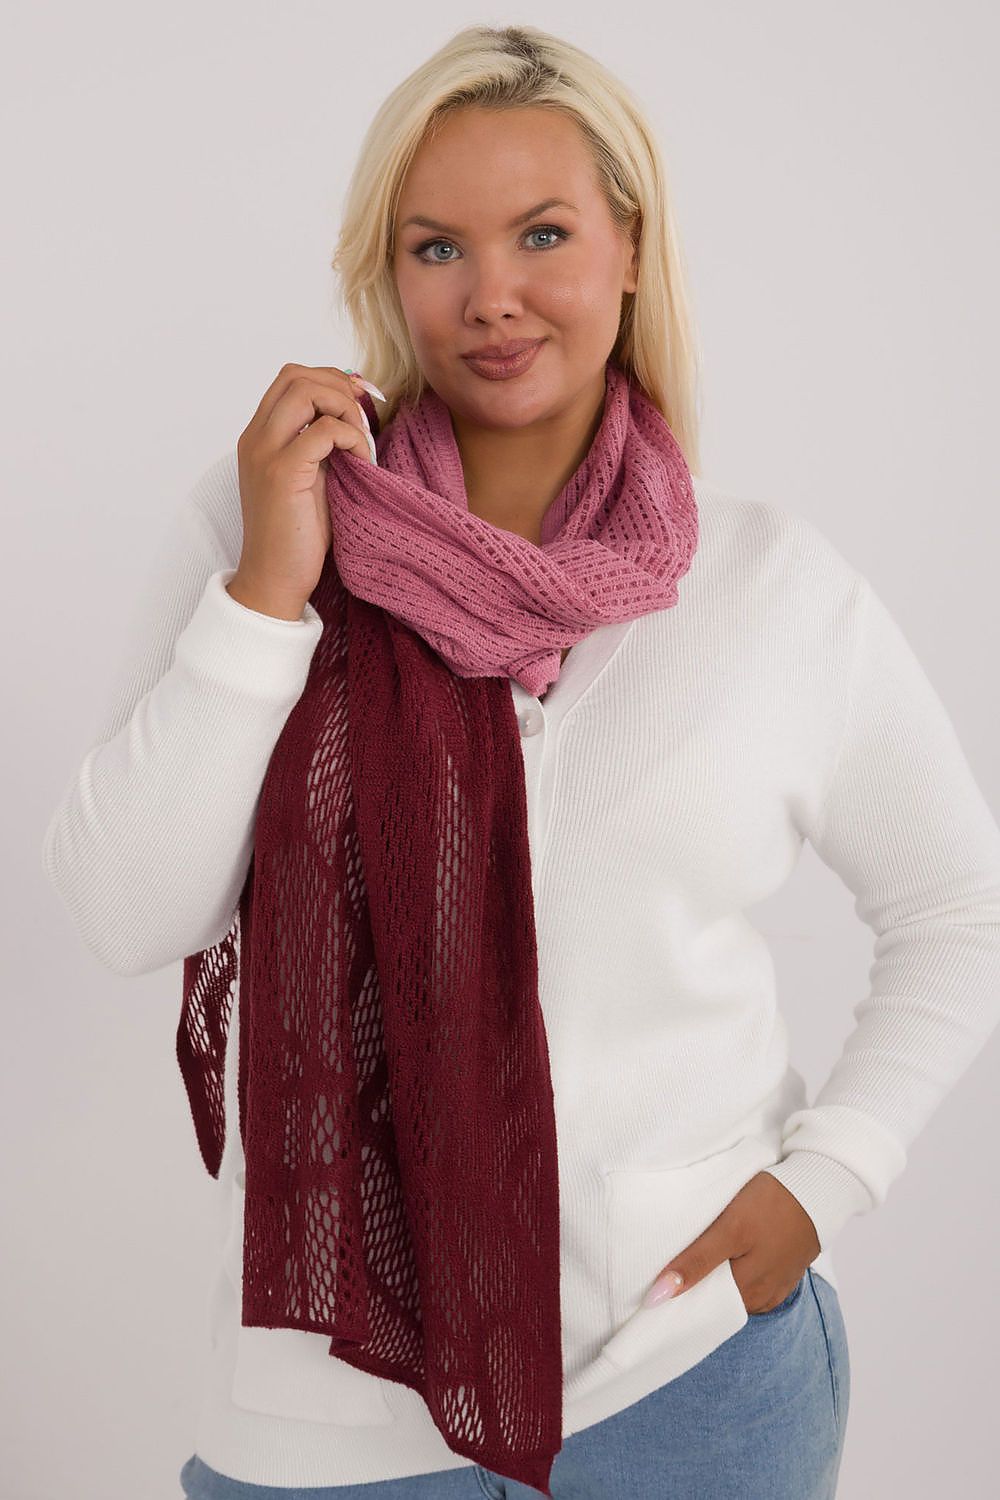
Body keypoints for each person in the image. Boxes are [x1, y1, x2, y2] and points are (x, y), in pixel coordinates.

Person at [41, 23, 1000, 1500]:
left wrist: (829, 1179)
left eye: (543, 233)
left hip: (690, 1383)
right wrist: (271, 596)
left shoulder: (768, 587)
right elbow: (126, 912)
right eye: (438, 247)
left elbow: (956, 907)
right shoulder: (259, 529)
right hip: (325, 1421)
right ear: (388, 271)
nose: (492, 295)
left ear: (631, 247)